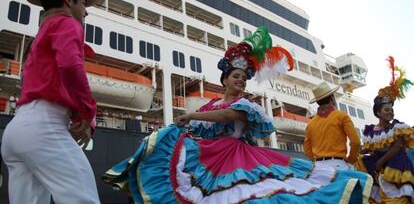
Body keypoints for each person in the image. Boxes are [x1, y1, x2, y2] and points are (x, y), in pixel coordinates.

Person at [103, 27, 372, 204]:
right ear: (225, 80)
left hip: (237, 155)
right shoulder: (211, 105)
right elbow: (207, 122)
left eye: (244, 77)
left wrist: (191, 116)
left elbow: (227, 116)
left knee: (251, 195)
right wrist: (187, 126)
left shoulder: (246, 104)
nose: (241, 81)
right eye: (236, 76)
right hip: (213, 155)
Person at [1, 0, 100, 203]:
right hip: (44, 127)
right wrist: (87, 113)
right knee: (84, 199)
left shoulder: (41, 34)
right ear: (68, 0)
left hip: (16, 130)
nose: (85, 12)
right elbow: (70, 66)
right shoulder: (67, 23)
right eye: (83, 3)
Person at [356, 56, 414, 203]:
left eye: (391, 110)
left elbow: (397, 147)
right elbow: (371, 149)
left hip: (396, 165)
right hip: (379, 165)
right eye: (386, 110)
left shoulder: (397, 127)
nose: (390, 113)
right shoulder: (371, 131)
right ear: (378, 113)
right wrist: (360, 151)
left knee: (401, 199)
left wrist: (380, 161)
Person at [304, 82, 361, 170]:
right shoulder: (342, 116)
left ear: (318, 102)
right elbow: (355, 142)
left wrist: (318, 160)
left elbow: (307, 150)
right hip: (338, 164)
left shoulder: (311, 123)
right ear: (332, 98)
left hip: (318, 167)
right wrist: (351, 160)